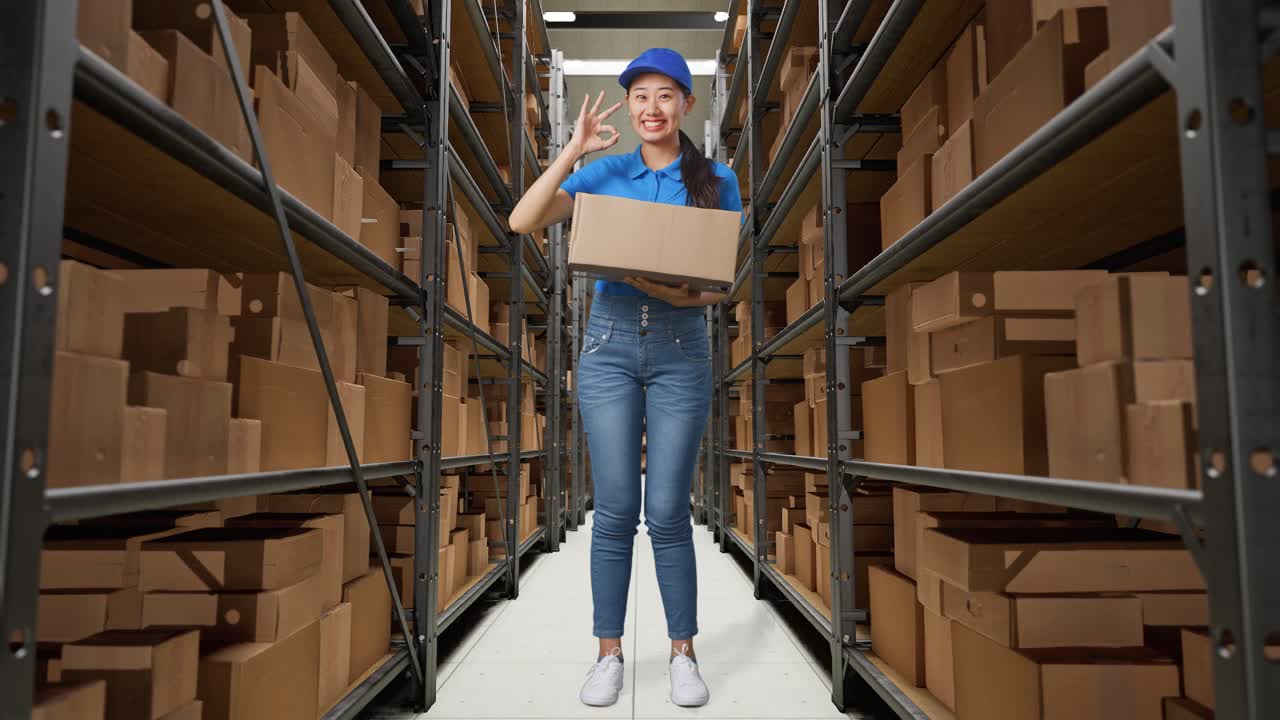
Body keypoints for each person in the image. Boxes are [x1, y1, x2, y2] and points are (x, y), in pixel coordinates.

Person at [510, 47, 742, 708]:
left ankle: (682, 652)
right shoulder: (605, 172)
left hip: (680, 348)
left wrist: (676, 296)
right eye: (640, 96)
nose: (650, 108)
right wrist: (573, 148)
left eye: (665, 95)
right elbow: (522, 219)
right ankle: (608, 654)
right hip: (608, 346)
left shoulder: (715, 180)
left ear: (685, 106)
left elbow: (720, 283)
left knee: (667, 511)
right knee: (614, 510)